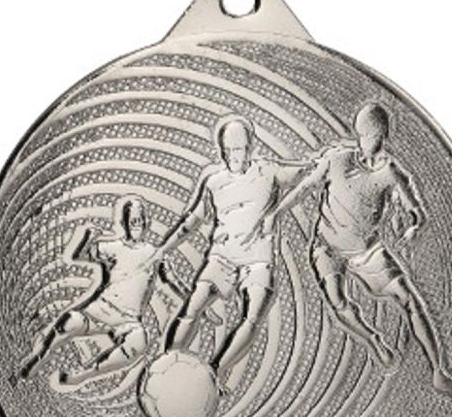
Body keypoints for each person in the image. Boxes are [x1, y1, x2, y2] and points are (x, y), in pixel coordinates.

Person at [268, 102, 452, 396]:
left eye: (370, 136)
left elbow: (417, 214)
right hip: (327, 248)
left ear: (382, 135)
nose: (364, 142)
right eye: (361, 135)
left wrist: (412, 229)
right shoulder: (337, 160)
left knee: (410, 299)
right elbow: (305, 188)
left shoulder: (392, 173)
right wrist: (276, 213)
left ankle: (439, 371)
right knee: (338, 302)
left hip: (367, 252)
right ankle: (374, 341)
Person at [156, 114, 311, 378]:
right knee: (193, 307)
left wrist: (329, 161)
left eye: (237, 149)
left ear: (250, 147)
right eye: (227, 150)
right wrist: (162, 250)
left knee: (253, 317)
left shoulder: (269, 171)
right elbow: (190, 222)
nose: (232, 157)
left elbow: (305, 172)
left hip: (258, 260)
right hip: (222, 256)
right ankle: (164, 367)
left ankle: (214, 373)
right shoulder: (214, 182)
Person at [16, 194, 185, 387]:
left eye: (140, 219)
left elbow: (173, 281)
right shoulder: (112, 247)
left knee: (139, 343)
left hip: (128, 322)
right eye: (132, 220)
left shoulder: (156, 254)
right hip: (100, 310)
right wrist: (88, 238)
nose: (137, 223)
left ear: (147, 222)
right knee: (70, 321)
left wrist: (193, 298)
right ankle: (38, 358)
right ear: (124, 223)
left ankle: (83, 375)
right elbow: (79, 256)